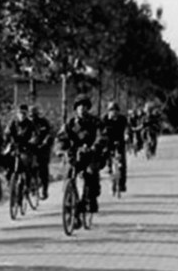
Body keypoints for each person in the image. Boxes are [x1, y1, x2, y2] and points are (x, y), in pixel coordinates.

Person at [57, 94, 101, 226]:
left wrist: (94, 146)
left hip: (90, 155)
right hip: (74, 155)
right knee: (69, 176)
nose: (82, 108)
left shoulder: (95, 122)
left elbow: (101, 136)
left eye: (85, 106)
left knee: (91, 175)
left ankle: (89, 201)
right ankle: (72, 209)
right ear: (76, 108)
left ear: (88, 108)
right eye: (79, 106)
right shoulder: (70, 123)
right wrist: (60, 149)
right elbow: (61, 137)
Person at [99, 100, 129, 193]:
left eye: (116, 110)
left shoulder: (122, 119)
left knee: (122, 163)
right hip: (108, 142)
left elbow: (127, 128)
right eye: (111, 110)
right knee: (106, 156)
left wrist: (127, 135)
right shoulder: (104, 119)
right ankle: (109, 169)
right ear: (108, 111)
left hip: (120, 141)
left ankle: (122, 184)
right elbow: (100, 130)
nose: (114, 112)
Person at [4, 104, 38, 183]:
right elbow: (7, 133)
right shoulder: (13, 122)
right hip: (14, 146)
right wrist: (8, 139)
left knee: (27, 164)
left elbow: (35, 135)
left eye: (24, 113)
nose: (22, 115)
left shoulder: (30, 124)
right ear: (17, 113)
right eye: (20, 113)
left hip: (26, 147)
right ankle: (7, 177)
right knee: (5, 157)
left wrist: (32, 141)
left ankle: (28, 184)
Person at [29, 105, 54, 199]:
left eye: (34, 115)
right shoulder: (27, 123)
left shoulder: (43, 122)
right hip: (31, 148)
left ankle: (44, 189)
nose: (32, 118)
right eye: (30, 116)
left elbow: (49, 133)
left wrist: (45, 142)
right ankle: (29, 185)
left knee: (43, 168)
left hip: (43, 148)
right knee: (27, 166)